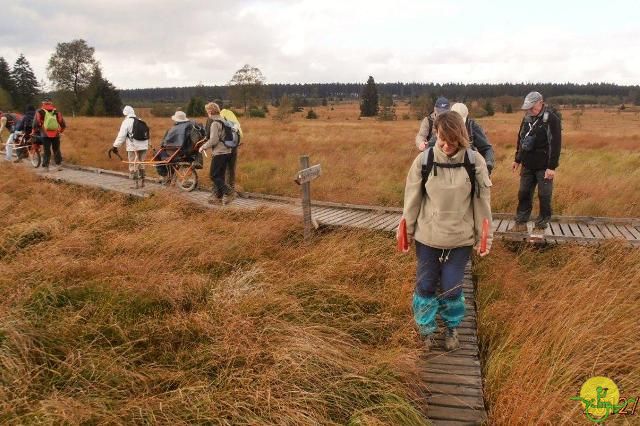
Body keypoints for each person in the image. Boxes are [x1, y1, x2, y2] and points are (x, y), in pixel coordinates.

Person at [400, 111, 493, 351]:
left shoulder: (475, 162)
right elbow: (412, 200)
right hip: (428, 238)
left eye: (452, 140)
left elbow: (482, 204)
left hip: (459, 240)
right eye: (442, 138)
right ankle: (426, 331)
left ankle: (451, 328)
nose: (446, 145)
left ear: (461, 136)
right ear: (436, 134)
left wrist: (485, 238)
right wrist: (406, 233)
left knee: (452, 288)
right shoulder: (423, 160)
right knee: (426, 285)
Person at [511, 91, 561, 231]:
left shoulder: (551, 119)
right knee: (523, 193)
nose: (530, 110)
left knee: (544, 195)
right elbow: (521, 139)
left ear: (541, 102)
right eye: (528, 107)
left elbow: (555, 144)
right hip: (527, 164)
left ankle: (541, 223)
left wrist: (552, 167)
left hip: (544, 166)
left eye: (532, 107)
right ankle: (520, 222)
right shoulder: (526, 118)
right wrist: (517, 159)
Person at [199, 102, 234, 205]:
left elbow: (214, 140)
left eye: (207, 111)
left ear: (210, 111)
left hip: (219, 152)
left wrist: (203, 147)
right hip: (228, 151)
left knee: (213, 175)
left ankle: (230, 192)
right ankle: (218, 199)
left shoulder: (215, 123)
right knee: (220, 176)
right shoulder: (224, 120)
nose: (207, 114)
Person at [206, 99, 243, 195]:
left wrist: (204, 146)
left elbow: (209, 136)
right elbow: (237, 126)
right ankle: (231, 190)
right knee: (230, 170)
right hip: (233, 145)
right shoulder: (229, 113)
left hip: (220, 149)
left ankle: (218, 194)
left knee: (216, 173)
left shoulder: (213, 119)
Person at [450, 102, 496, 174]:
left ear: (466, 116)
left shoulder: (472, 126)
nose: (459, 124)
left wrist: (488, 164)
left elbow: (487, 148)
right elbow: (431, 147)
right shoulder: (443, 126)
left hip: (469, 170)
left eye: (461, 121)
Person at [112, 106, 149, 188]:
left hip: (133, 146)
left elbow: (121, 136)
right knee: (141, 163)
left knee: (133, 164)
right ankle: (143, 183)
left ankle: (135, 184)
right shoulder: (140, 120)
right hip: (144, 145)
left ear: (125, 113)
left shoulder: (126, 122)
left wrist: (115, 146)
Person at [157, 110, 195, 183]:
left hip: (177, 153)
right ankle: (170, 176)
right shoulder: (190, 126)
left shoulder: (173, 129)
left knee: (157, 155)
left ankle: (164, 175)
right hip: (188, 152)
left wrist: (163, 145)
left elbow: (165, 143)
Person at [32, 99, 66, 172]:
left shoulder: (39, 111)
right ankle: (59, 165)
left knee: (47, 150)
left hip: (45, 134)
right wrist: (60, 131)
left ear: (43, 103)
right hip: (56, 134)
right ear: (51, 103)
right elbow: (62, 124)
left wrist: (34, 132)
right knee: (56, 149)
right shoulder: (56, 112)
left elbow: (36, 123)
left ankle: (46, 167)